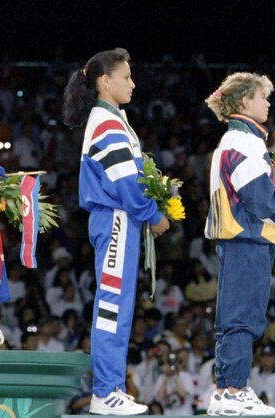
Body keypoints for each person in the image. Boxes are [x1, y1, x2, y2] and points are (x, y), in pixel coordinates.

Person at [61, 47, 168, 414]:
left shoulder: (113, 117)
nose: (133, 84)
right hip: (117, 218)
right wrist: (153, 213)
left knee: (117, 306)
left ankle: (112, 389)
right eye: (126, 77)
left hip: (119, 219)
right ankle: (106, 391)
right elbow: (125, 179)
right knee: (111, 306)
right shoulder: (106, 122)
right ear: (106, 81)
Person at [203, 72, 275, 416]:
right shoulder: (244, 141)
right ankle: (235, 389)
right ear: (244, 102)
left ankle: (227, 390)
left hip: (238, 240)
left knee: (232, 317)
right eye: (262, 97)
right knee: (243, 317)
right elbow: (257, 195)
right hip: (247, 240)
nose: (268, 103)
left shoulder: (234, 139)